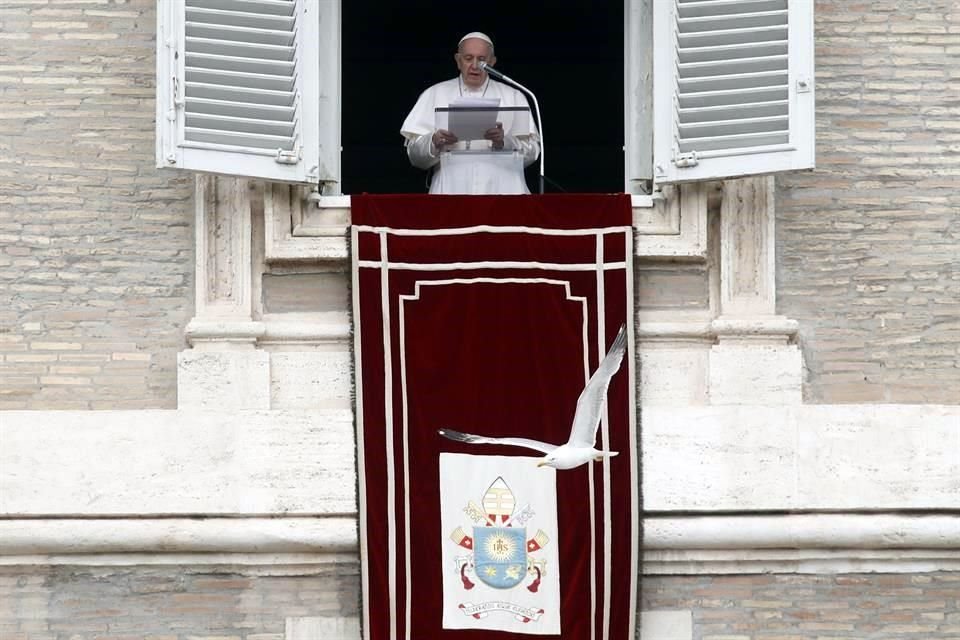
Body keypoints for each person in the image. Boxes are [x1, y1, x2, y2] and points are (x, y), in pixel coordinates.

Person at [400, 32, 541, 194]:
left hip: (504, 192)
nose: (475, 65)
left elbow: (532, 152)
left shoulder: (514, 96)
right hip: (450, 192)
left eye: (482, 59)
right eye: (468, 58)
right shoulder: (434, 93)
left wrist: (504, 142)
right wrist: (434, 142)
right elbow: (414, 157)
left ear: (492, 62)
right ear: (458, 60)